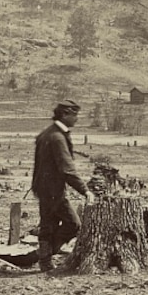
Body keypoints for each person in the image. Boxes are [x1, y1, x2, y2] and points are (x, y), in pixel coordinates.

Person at [31, 99, 95, 271]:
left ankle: (45, 261)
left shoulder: (47, 133)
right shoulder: (57, 137)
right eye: (74, 115)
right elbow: (67, 168)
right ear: (65, 114)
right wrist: (85, 190)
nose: (77, 119)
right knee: (73, 224)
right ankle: (46, 255)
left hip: (43, 188)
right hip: (53, 190)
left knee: (47, 224)